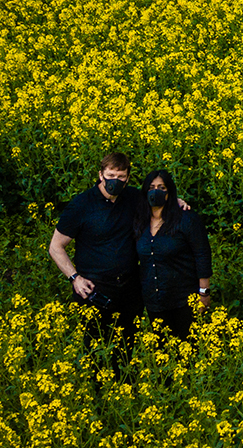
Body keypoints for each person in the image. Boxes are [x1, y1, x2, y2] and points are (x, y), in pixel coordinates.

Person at [48, 153, 187, 372]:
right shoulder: (81, 204)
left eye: (120, 176)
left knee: (126, 347)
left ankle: (125, 389)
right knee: (94, 347)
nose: (115, 180)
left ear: (128, 178)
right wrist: (75, 278)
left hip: (130, 288)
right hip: (94, 288)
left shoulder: (133, 198)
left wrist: (176, 202)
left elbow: (158, 202)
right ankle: (98, 395)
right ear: (100, 175)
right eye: (110, 175)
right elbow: (56, 246)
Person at [134, 169, 212, 341]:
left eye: (162, 187)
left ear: (170, 192)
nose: (156, 192)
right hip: (155, 301)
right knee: (164, 352)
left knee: (189, 350)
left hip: (185, 300)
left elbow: (202, 254)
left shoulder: (186, 219)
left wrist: (203, 293)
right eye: (152, 187)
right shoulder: (139, 222)